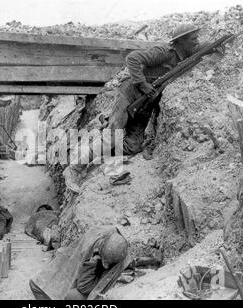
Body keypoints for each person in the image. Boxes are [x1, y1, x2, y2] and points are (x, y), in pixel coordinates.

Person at [63, 24, 223, 193]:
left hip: (145, 105)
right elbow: (133, 58)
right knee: (112, 136)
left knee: (133, 146)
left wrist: (215, 45)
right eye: (193, 39)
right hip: (130, 94)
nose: (196, 42)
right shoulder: (163, 52)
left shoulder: (185, 54)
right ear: (180, 41)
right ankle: (74, 169)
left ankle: (97, 147)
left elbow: (200, 48)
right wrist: (143, 83)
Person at [29, 226, 129, 300]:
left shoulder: (118, 254)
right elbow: (74, 264)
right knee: (37, 284)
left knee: (69, 296)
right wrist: (93, 261)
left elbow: (84, 288)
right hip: (81, 266)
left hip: (88, 286)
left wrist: (93, 263)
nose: (106, 265)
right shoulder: (93, 243)